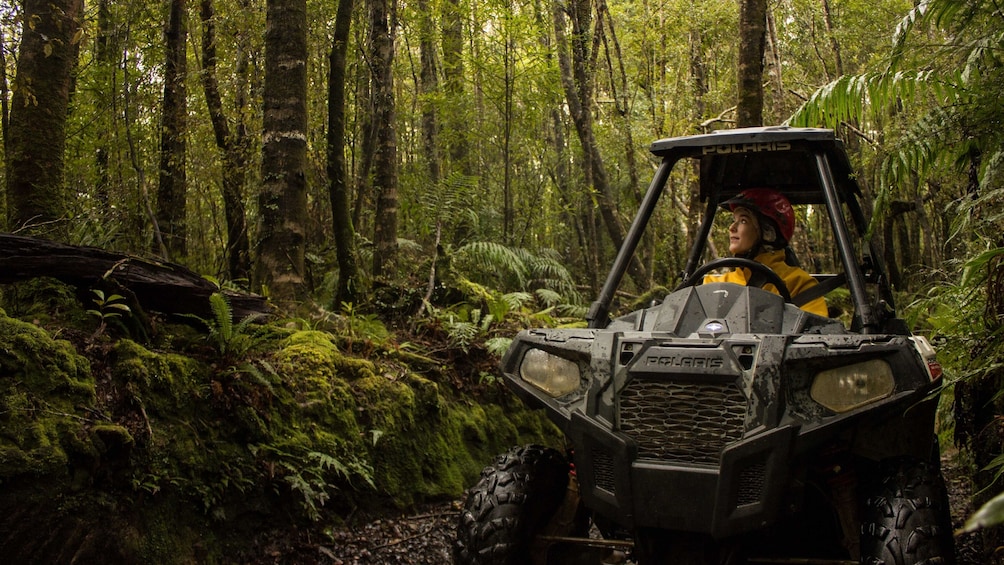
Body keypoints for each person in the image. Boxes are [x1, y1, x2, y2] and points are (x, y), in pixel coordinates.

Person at [703, 188, 829, 317]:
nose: (731, 228)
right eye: (733, 220)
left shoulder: (798, 283)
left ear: (768, 232)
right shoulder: (714, 284)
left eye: (743, 221)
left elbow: (816, 333)